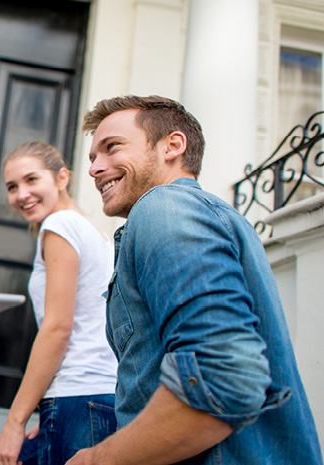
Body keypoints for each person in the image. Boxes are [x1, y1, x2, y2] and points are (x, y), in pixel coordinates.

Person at [67, 95, 323, 464]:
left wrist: (95, 459)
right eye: (93, 158)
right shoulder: (206, 215)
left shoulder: (165, 209)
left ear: (173, 145)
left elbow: (224, 379)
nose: (95, 168)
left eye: (112, 148)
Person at [0, 141, 118, 465]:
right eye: (12, 186)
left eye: (32, 180)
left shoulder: (58, 226)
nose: (21, 194)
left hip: (78, 394)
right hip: (98, 396)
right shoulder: (96, 234)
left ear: (62, 178)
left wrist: (14, 422)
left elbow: (58, 328)